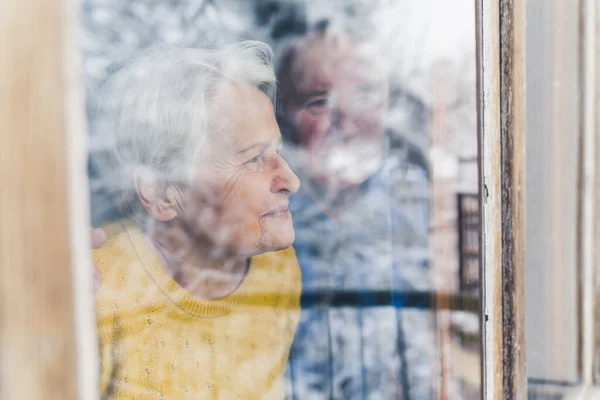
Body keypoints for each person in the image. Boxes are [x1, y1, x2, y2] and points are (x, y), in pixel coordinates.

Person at [91, 41, 302, 399]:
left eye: (277, 152)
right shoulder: (97, 286)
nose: (291, 181)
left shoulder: (278, 268)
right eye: (253, 159)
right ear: (161, 192)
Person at [276, 24, 434, 399]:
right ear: (287, 116)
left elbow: (424, 340)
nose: (346, 123)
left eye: (364, 95)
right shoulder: (266, 207)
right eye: (319, 102)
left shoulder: (412, 197)